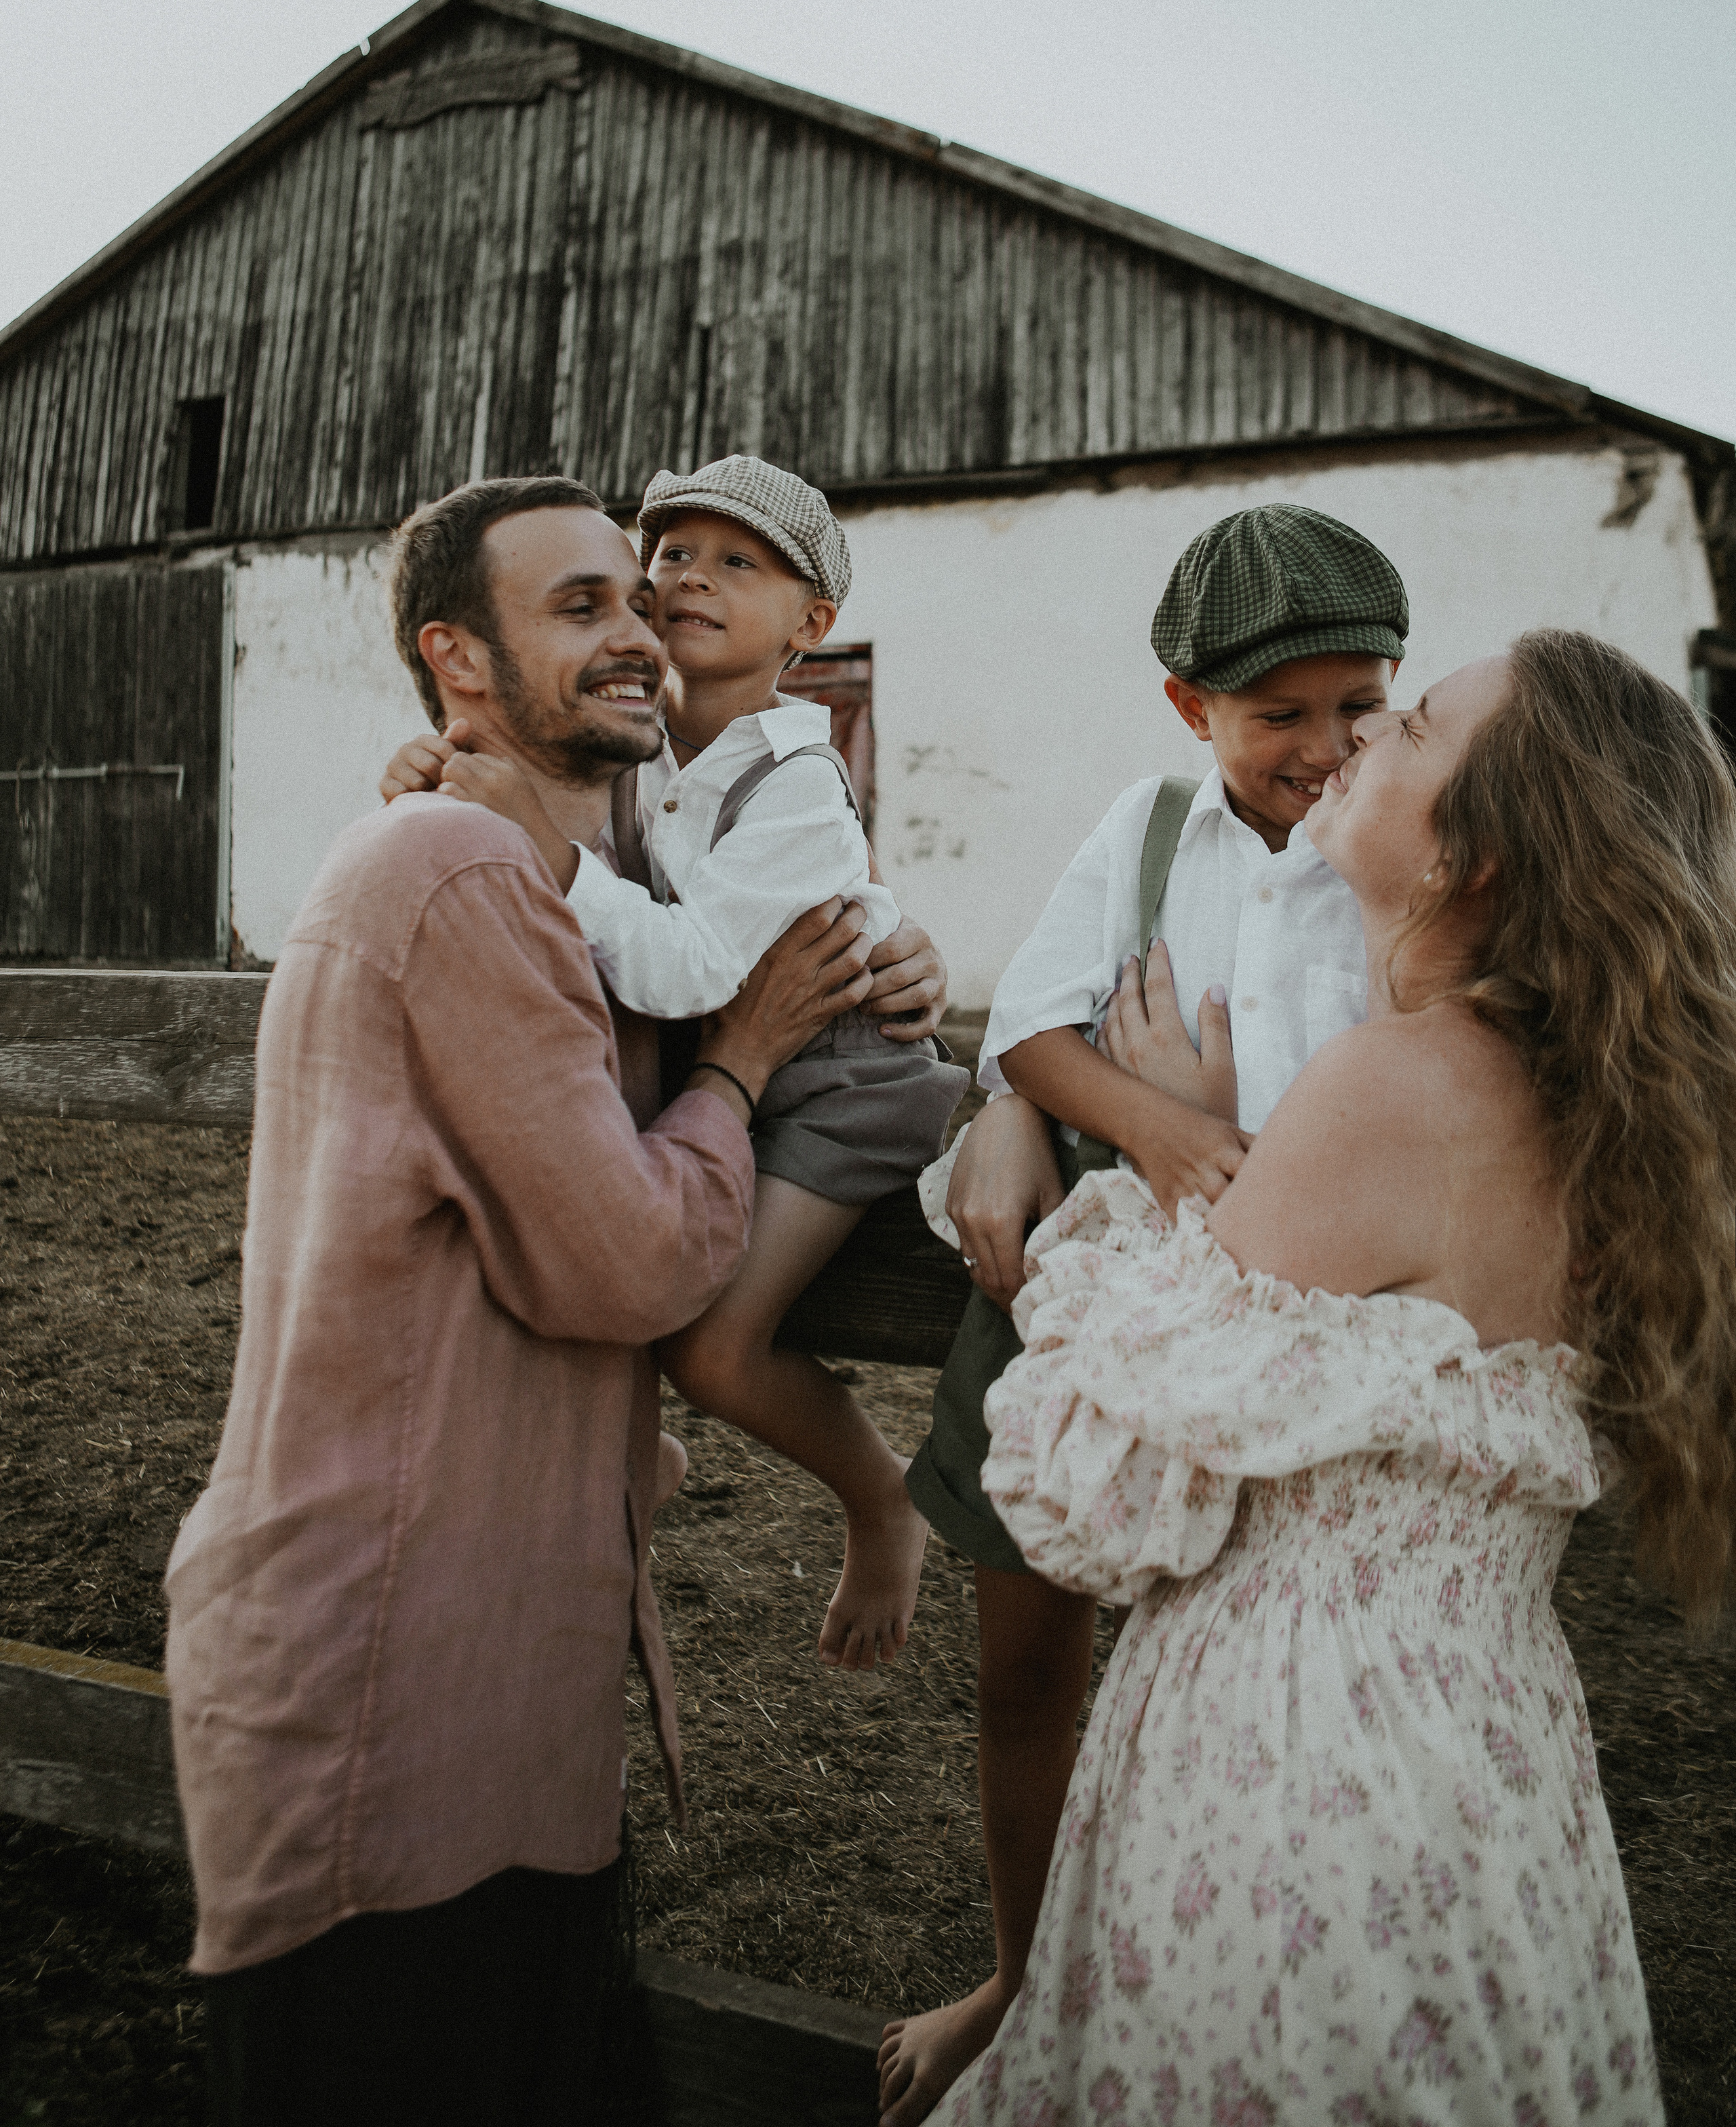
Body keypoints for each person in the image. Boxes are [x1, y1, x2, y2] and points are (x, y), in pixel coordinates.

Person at [165, 477, 890, 2127]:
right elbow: (634, 1258)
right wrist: (754, 1056)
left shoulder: (538, 864)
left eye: (637, 599)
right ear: (458, 661)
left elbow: (696, 944)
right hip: (392, 1692)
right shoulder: (464, 871)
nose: (640, 630)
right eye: (581, 608)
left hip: (475, 1679)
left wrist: (873, 966)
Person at [939, 629, 1736, 2124]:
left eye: (1408, 726)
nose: (1357, 742)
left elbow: (1099, 1489)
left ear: (1469, 857)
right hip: (1485, 1757)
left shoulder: (1395, 1085)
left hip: (1302, 1770)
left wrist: (1169, 1176)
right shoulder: (1584, 1103)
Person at [882, 503, 1408, 2121]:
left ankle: (1230, 2024)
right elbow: (1031, 1025)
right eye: (1278, 716)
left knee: (1250, 1699)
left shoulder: (1410, 855)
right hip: (1087, 1290)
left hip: (1293, 1329)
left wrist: (1224, 1127)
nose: (1325, 750)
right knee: (1026, 1666)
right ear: (1190, 708)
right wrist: (1143, 1122)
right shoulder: (1151, 828)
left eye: (1359, 706)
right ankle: (1024, 1972)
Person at [382, 455, 965, 1673]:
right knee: (622, 1225)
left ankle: (882, 1498)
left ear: (811, 627)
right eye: (674, 553)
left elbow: (695, 967)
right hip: (763, 1066)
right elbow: (534, 772)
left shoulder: (797, 778)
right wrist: (434, 764)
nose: (687, 575)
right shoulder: (647, 749)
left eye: (736, 562)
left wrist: (544, 852)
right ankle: (632, 1456)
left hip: (848, 1081)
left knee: (713, 1344)